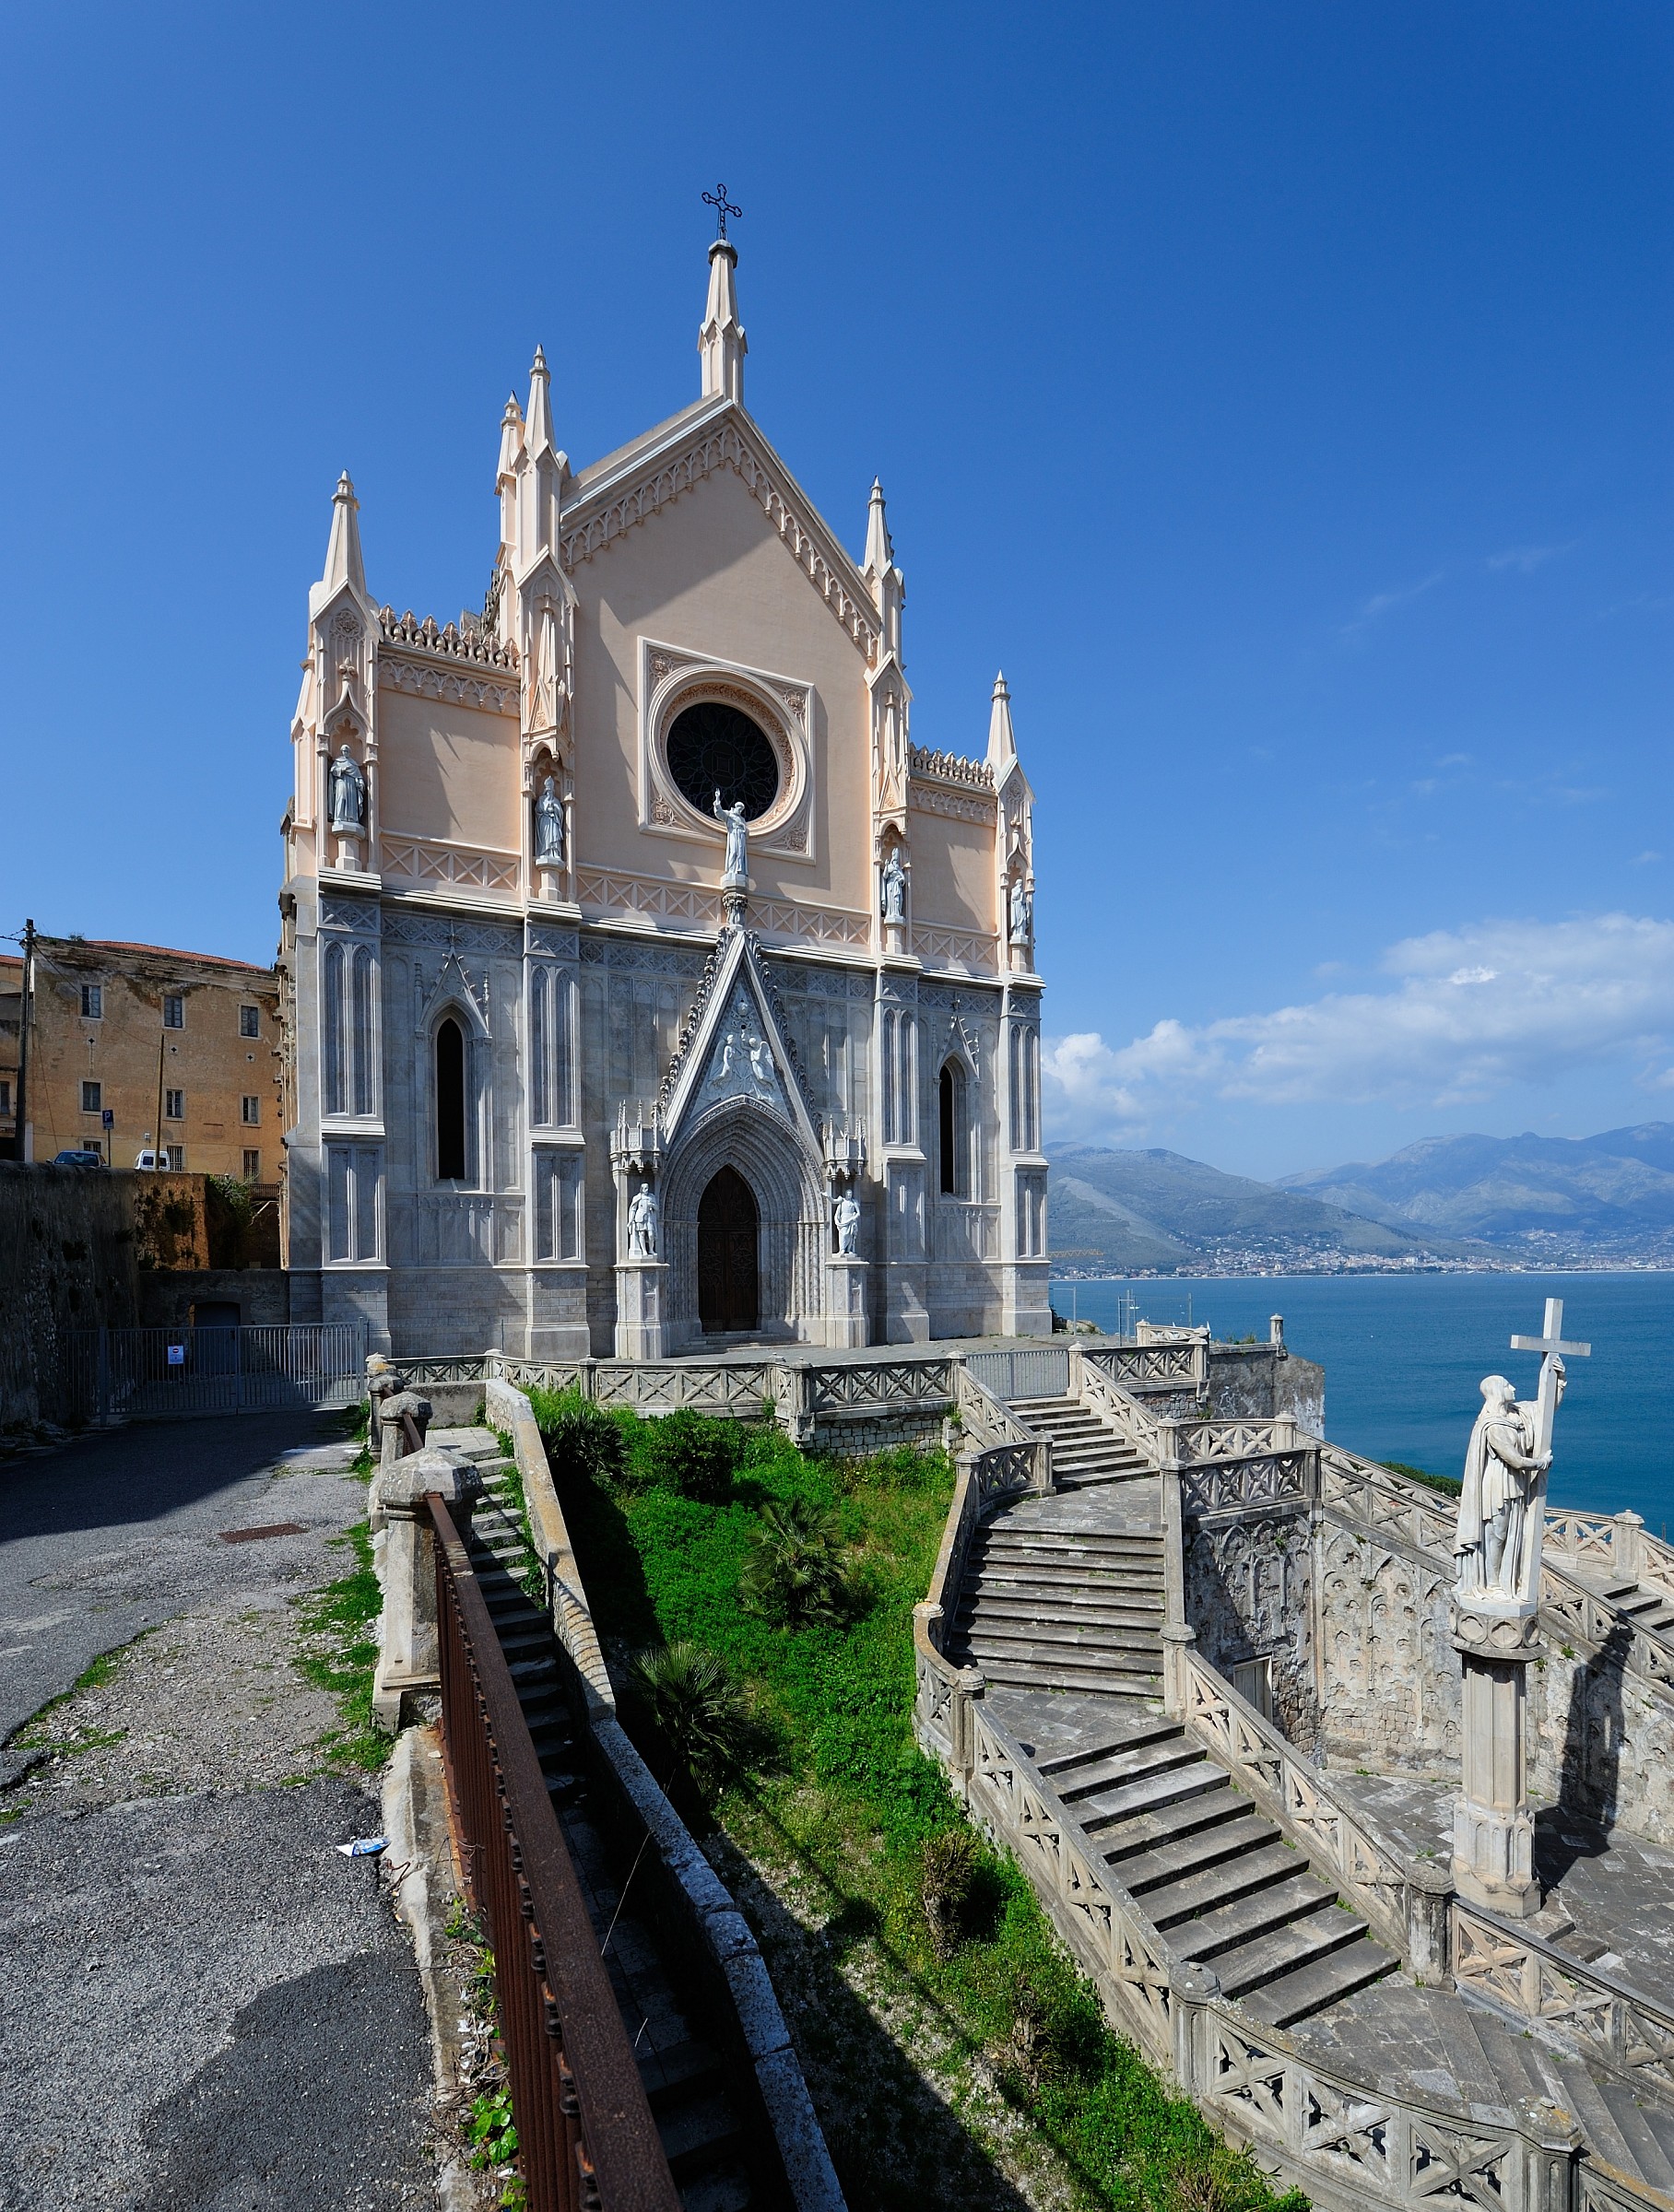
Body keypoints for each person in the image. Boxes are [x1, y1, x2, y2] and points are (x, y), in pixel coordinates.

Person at [1454, 1372, 1556, 1601]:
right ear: (1498, 1391)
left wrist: (1557, 1378)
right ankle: (1491, 1584)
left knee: (1511, 1534)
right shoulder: (1492, 1425)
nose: (1514, 1387)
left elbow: (1546, 1407)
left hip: (1515, 1483)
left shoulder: (1516, 1414)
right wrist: (1541, 1462)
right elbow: (1515, 1460)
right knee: (1496, 1535)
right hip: (1498, 1486)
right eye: (1508, 1385)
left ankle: (1506, 1581)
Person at [328, 745, 367, 835]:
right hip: (341, 781)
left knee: (352, 803)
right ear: (342, 752)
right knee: (341, 798)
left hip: (352, 785)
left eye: (347, 751)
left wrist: (360, 783)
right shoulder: (338, 761)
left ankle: (352, 818)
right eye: (344, 751)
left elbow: (359, 776)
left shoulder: (353, 764)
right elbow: (333, 771)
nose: (346, 753)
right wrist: (341, 770)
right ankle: (339, 817)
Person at [713, 790, 749, 880]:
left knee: (740, 853)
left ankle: (739, 870)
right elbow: (719, 813)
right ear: (736, 807)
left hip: (740, 835)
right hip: (733, 833)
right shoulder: (729, 814)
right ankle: (731, 870)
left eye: (742, 809)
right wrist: (717, 798)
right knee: (733, 851)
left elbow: (747, 831)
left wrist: (744, 828)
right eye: (739, 808)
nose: (740, 810)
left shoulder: (742, 819)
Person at [534, 774, 565, 867]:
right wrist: (546, 809)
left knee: (555, 836)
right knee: (546, 838)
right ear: (546, 791)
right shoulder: (541, 799)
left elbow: (561, 813)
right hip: (544, 821)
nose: (550, 793)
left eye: (551, 791)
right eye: (548, 791)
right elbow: (537, 810)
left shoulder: (555, 801)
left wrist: (555, 809)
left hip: (553, 822)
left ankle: (555, 853)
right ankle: (545, 852)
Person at [626, 1182, 659, 1261]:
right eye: (645, 1188)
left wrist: (652, 1205)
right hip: (640, 1216)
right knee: (642, 1234)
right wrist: (630, 1220)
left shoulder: (651, 1197)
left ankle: (651, 1249)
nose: (647, 1190)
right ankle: (644, 1251)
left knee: (651, 1234)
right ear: (641, 1189)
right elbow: (633, 1209)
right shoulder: (637, 1197)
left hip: (649, 1217)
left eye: (647, 1188)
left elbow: (657, 1208)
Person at [833, 1189, 861, 1255]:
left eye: (850, 1194)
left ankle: (849, 1249)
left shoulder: (854, 1202)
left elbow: (858, 1213)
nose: (849, 1195)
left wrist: (854, 1217)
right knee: (843, 1234)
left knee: (851, 1234)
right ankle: (842, 1249)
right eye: (848, 1194)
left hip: (851, 1218)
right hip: (844, 1219)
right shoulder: (842, 1201)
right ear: (846, 1194)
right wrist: (828, 1196)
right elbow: (833, 1201)